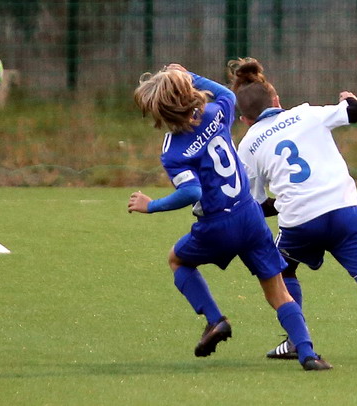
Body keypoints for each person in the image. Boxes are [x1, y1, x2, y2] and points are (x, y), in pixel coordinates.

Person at [228, 57, 357, 365]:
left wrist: (286, 200)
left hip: (299, 223)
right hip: (345, 213)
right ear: (277, 101)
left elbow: (256, 205)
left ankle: (296, 341)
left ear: (245, 120)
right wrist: (349, 99)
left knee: (282, 272)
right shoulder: (307, 113)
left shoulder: (247, 146)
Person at [128, 63, 332, 370]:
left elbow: (191, 192)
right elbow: (227, 94)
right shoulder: (215, 112)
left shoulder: (173, 151)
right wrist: (190, 75)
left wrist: (152, 205)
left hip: (217, 225)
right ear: (188, 92)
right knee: (277, 291)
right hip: (250, 215)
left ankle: (215, 320)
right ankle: (307, 353)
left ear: (160, 113)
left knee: (177, 260)